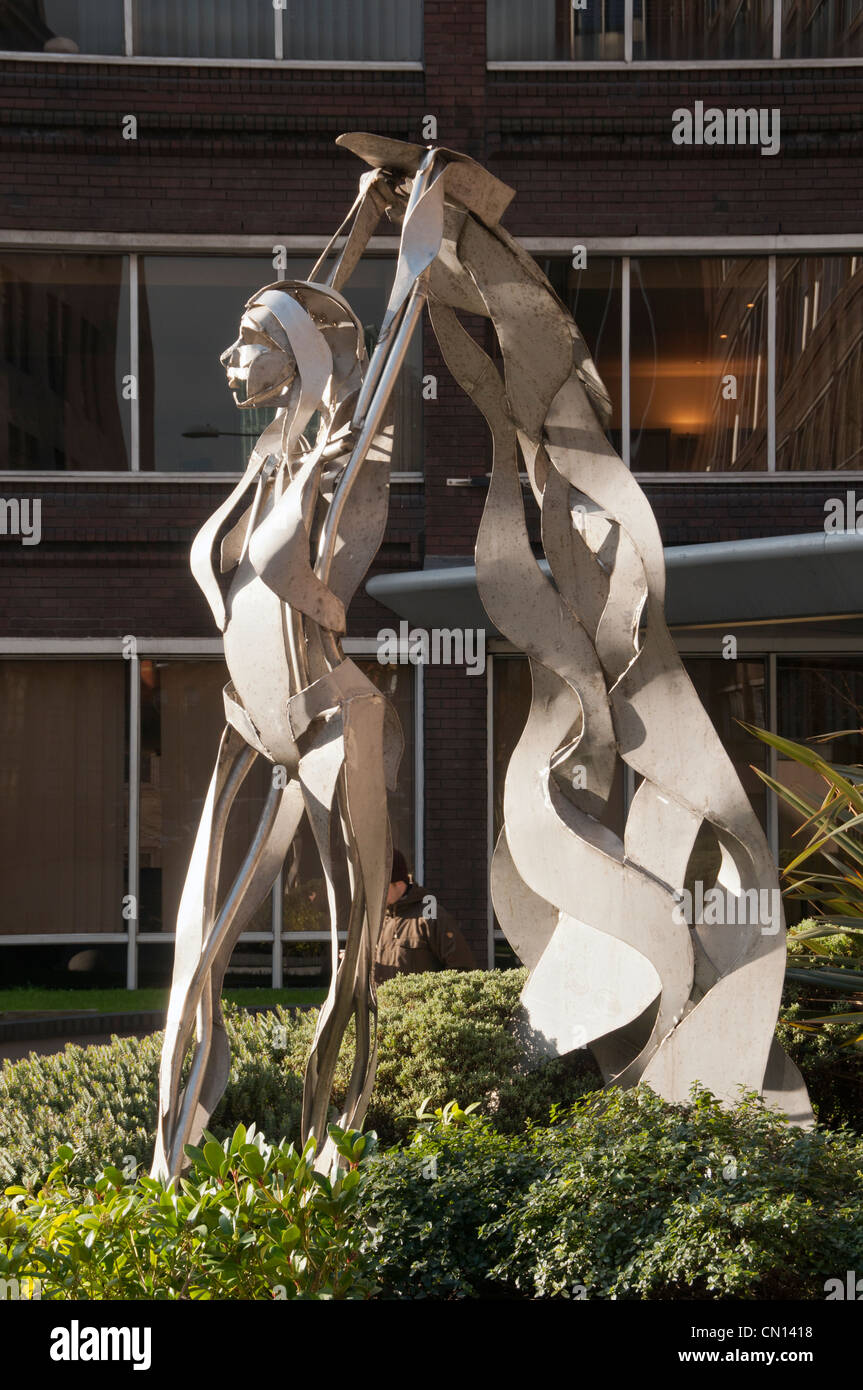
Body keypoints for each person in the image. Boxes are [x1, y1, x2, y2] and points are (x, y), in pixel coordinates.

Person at [374, 849, 476, 984]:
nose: (375, 893)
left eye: (380, 886)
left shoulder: (431, 916)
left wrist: (432, 1001)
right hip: (382, 1005)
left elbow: (463, 969)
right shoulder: (375, 919)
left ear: (398, 884)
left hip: (418, 1005)